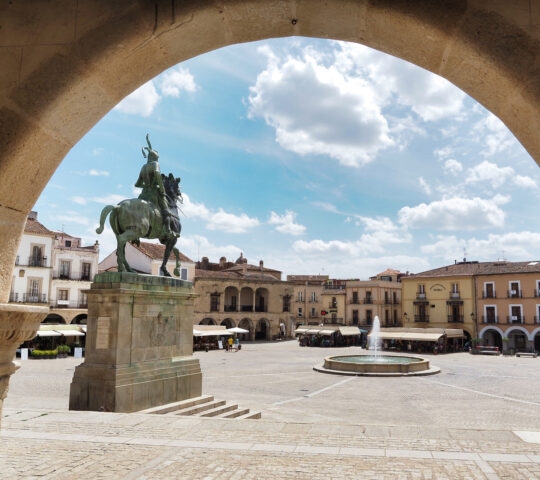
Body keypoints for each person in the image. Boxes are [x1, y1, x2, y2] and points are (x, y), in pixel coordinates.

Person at [135, 134, 178, 237]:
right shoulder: (155, 164)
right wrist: (161, 190)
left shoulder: (144, 167)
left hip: (143, 195)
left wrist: (146, 186)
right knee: (166, 211)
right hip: (154, 194)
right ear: (155, 158)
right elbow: (158, 175)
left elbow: (138, 184)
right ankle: (167, 230)